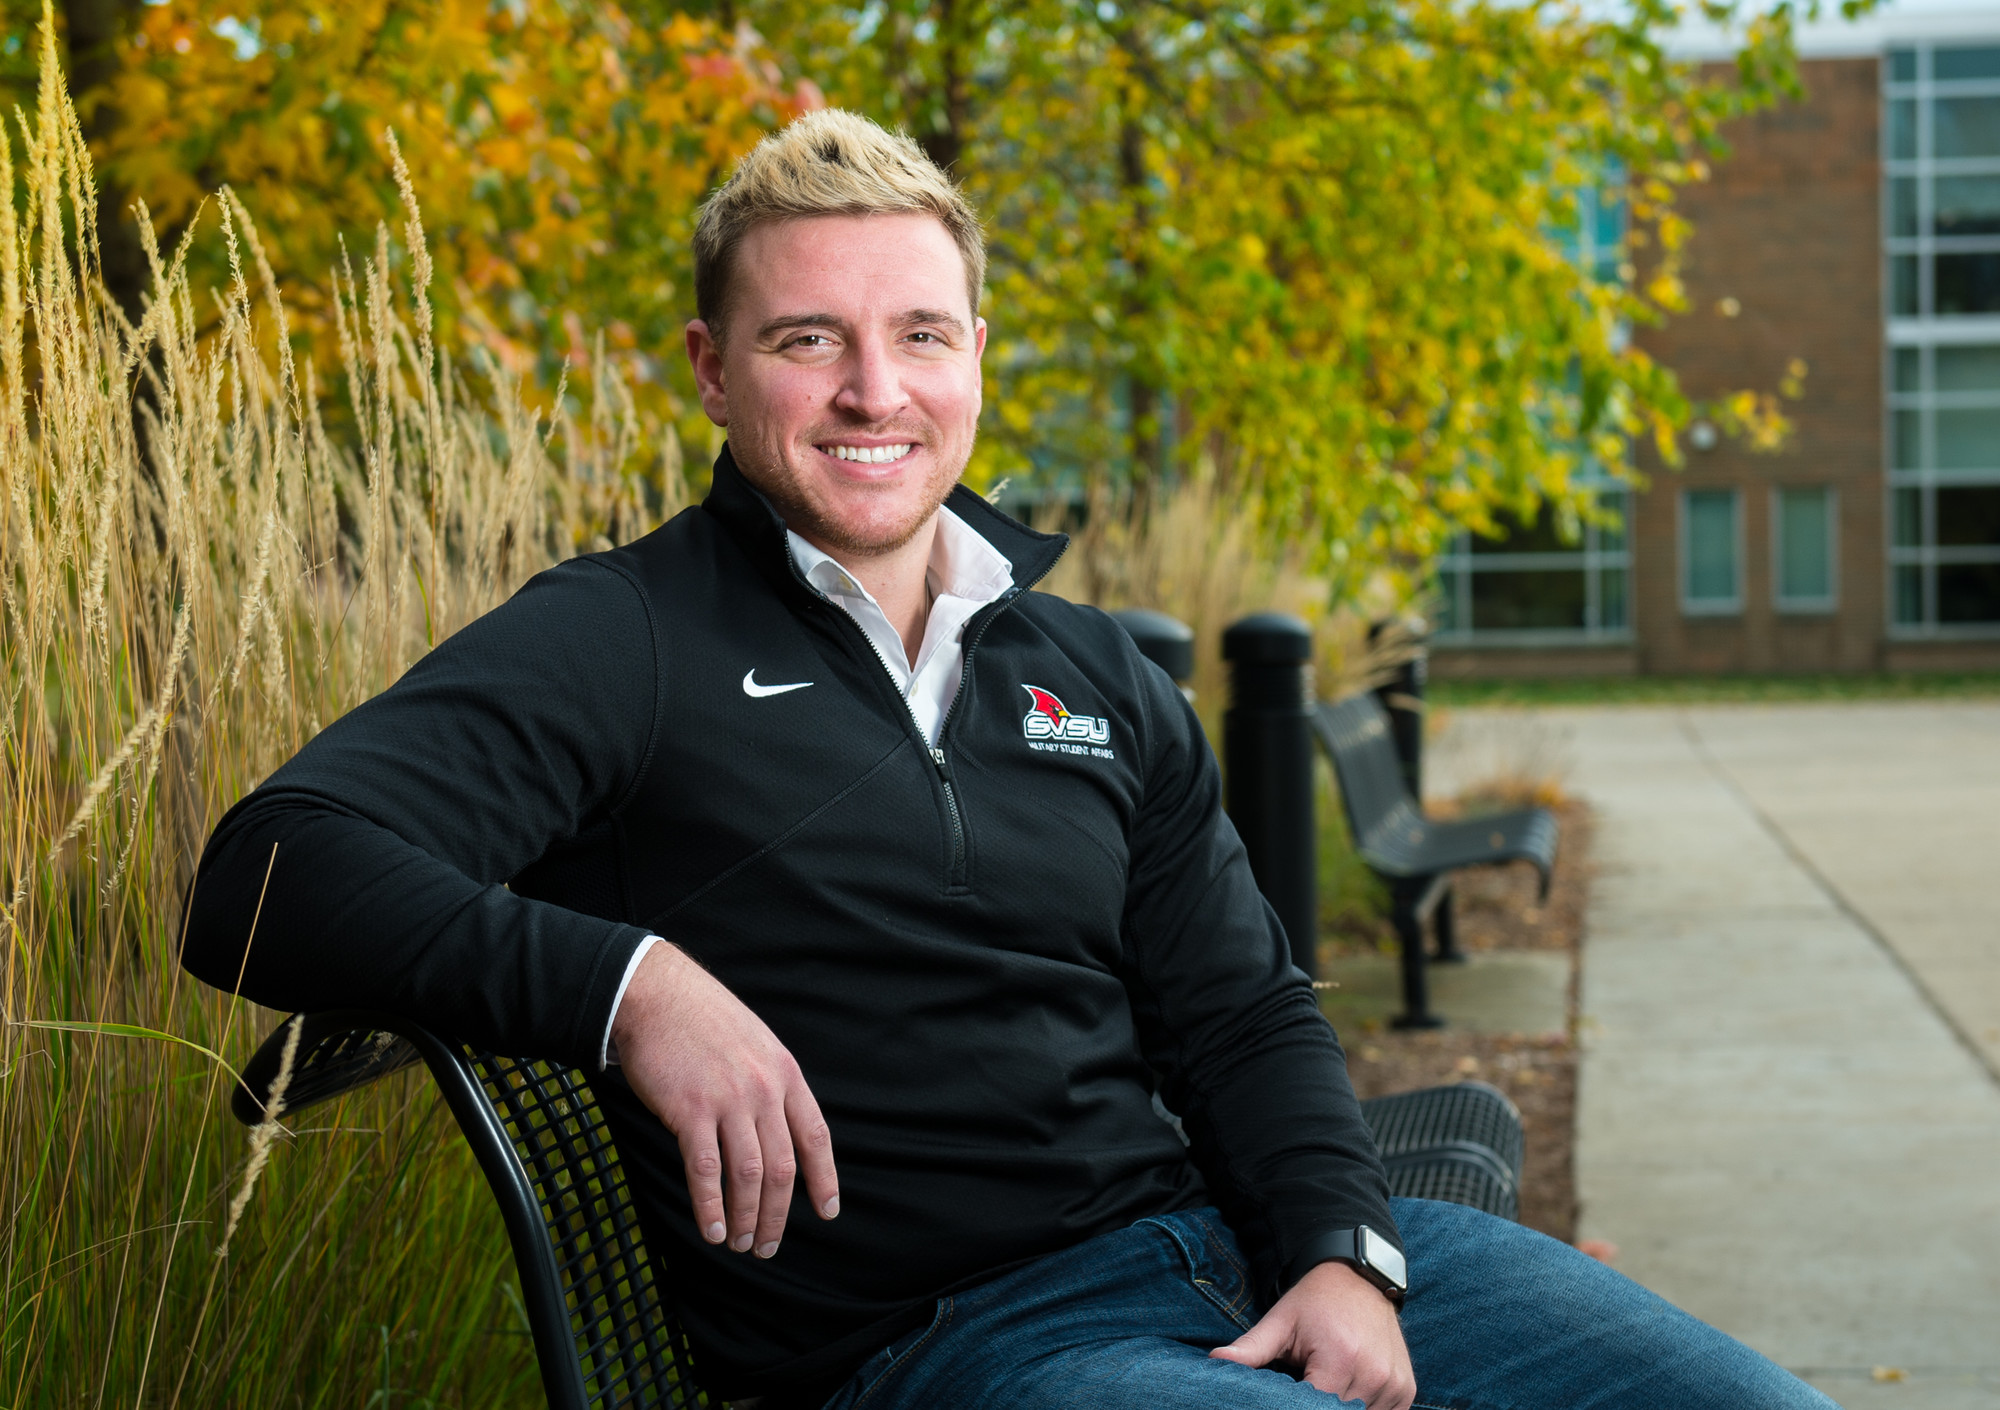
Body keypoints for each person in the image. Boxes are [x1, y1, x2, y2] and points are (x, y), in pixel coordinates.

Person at [184, 110, 1837, 1410]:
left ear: (979, 354)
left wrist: (1336, 1249)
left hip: (1231, 1249)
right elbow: (267, 870)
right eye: (806, 340)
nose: (872, 392)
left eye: (920, 334)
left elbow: (1243, 1006)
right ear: (710, 367)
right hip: (966, 1349)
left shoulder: (1088, 666)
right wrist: (636, 988)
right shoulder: (625, 637)